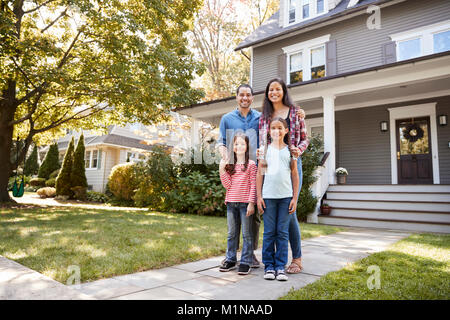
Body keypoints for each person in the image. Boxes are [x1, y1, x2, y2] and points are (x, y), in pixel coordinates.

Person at [217, 84, 306, 268]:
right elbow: (221, 142)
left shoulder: (260, 117)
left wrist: (300, 114)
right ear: (236, 97)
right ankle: (239, 256)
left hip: (267, 166)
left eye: (248, 95)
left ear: (253, 97)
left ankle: (286, 258)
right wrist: (225, 159)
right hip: (243, 171)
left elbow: (282, 131)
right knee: (249, 212)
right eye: (241, 95)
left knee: (273, 212)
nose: (245, 98)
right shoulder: (230, 118)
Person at [257, 78, 309, 274]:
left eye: (278, 89)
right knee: (270, 215)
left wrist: (297, 151)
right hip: (269, 165)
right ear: (267, 93)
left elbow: (305, 139)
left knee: (291, 210)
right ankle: (271, 260)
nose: (274, 92)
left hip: (291, 163)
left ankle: (296, 259)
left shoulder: (295, 112)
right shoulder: (264, 116)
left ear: (283, 91)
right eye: (271, 90)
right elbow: (262, 141)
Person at [256, 117, 299, 281]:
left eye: (280, 128)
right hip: (268, 197)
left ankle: (280, 266)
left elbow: (294, 175)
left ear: (286, 131)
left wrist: (295, 198)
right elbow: (260, 174)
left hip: (286, 197)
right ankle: (269, 266)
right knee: (268, 233)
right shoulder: (264, 150)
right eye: (273, 128)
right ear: (269, 131)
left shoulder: (291, 151)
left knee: (282, 233)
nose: (277, 131)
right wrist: (259, 196)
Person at [219, 133, 257, 275]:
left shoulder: (251, 165)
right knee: (231, 234)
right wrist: (222, 170)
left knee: (247, 234)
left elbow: (253, 185)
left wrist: (251, 203)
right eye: (236, 144)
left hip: (244, 204)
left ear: (247, 147)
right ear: (233, 147)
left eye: (242, 144)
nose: (239, 146)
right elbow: (227, 185)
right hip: (231, 203)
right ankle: (230, 259)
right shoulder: (230, 165)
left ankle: (246, 261)